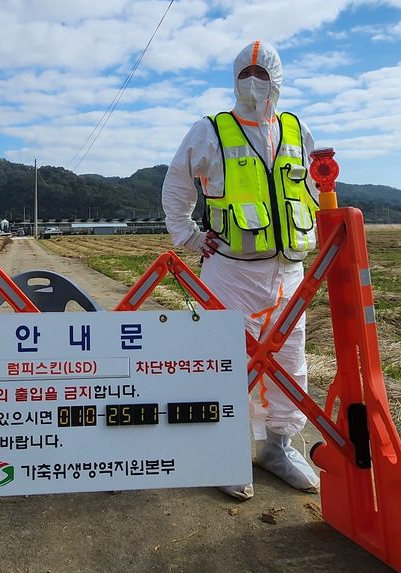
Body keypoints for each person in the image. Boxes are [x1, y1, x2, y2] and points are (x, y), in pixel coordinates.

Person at [161, 40, 320, 500]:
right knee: (226, 362)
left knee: (291, 362)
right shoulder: (211, 130)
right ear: (234, 78)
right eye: (246, 72)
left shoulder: (297, 130)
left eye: (263, 72)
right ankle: (224, 450)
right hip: (231, 271)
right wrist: (189, 236)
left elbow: (312, 187)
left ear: (279, 78)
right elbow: (176, 187)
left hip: (288, 270)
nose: (255, 82)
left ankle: (279, 446)